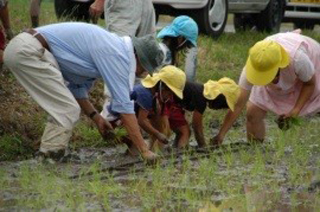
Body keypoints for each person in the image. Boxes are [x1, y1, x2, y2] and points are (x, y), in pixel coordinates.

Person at [3, 22, 164, 162]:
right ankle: (49, 156)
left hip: (28, 48)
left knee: (64, 106)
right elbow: (124, 107)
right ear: (138, 57)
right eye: (144, 68)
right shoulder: (117, 53)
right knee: (66, 108)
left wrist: (96, 118)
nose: (142, 73)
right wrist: (144, 149)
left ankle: (51, 154)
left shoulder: (110, 50)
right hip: (29, 51)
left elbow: (77, 88)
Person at [213, 31, 320, 144]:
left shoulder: (298, 59)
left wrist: (295, 110)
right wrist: (221, 134)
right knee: (252, 113)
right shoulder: (257, 63)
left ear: (279, 66)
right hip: (278, 64)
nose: (270, 79)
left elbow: (310, 84)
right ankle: (255, 147)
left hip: (312, 67)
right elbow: (238, 104)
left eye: (272, 75)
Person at [143, 72, 240, 149]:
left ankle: (175, 150)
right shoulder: (201, 97)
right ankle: (159, 153)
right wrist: (202, 145)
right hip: (168, 100)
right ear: (219, 99)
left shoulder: (200, 92)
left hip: (174, 104)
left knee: (182, 131)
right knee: (167, 130)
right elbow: (196, 126)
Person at [158, 15, 198, 82]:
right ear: (180, 39)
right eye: (187, 44)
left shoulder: (170, 52)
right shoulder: (162, 53)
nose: (185, 47)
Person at [89, 0, 156, 37]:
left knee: (119, 49)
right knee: (143, 52)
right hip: (146, 3)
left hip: (124, 3)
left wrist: (100, 1)